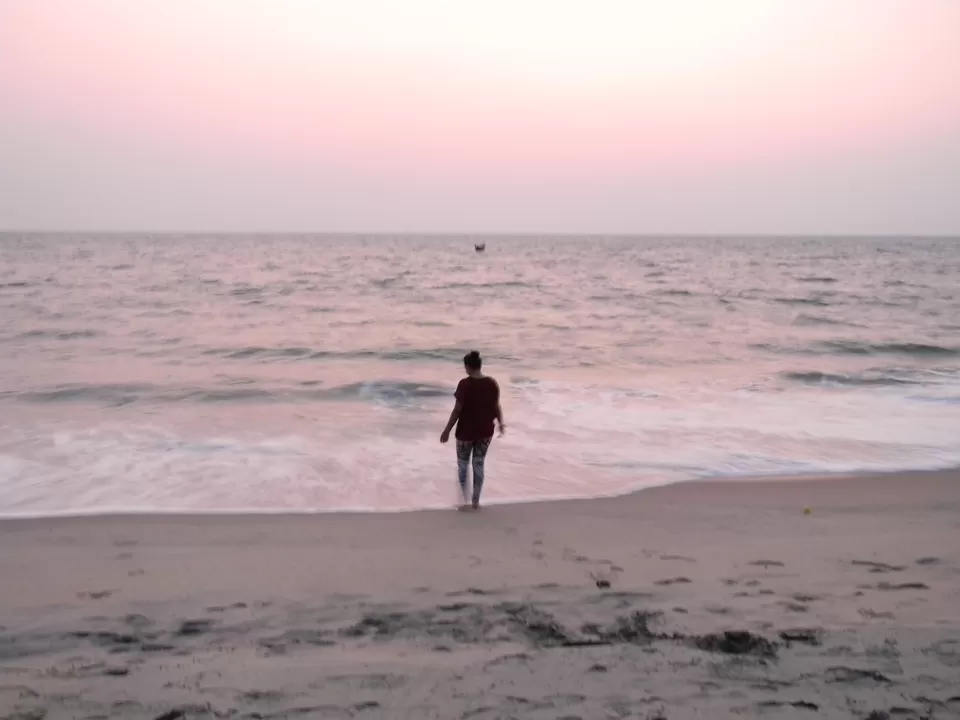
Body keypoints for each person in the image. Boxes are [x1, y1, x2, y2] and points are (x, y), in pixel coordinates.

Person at [440, 351, 505, 509]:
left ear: (468, 366)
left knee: (463, 464)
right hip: (485, 431)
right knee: (478, 463)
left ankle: (464, 499)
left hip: (465, 432)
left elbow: (457, 410)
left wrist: (447, 430)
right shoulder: (492, 383)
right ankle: (476, 500)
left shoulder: (465, 384)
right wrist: (501, 423)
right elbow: (496, 406)